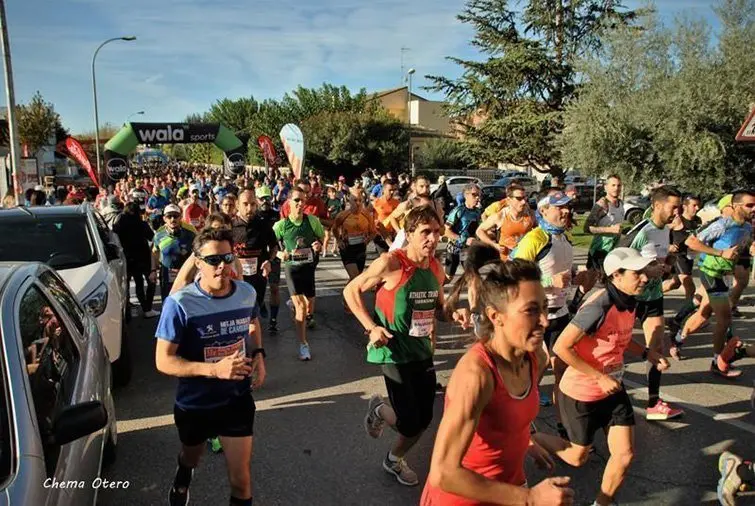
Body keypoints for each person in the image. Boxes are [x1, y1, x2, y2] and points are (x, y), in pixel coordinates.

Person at [421, 248, 575, 506]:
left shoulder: (535, 358)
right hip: (463, 499)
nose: (545, 321)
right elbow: (443, 473)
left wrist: (527, 441)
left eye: (545, 308)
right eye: (531, 311)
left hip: (508, 490)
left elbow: (512, 415)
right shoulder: (476, 374)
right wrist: (530, 498)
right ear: (495, 316)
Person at [155, 227, 266, 506]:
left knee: (241, 480)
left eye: (227, 259)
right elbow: (163, 360)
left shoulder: (246, 293)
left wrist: (259, 354)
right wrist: (214, 370)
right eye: (213, 260)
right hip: (196, 404)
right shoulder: (179, 304)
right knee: (192, 456)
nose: (222, 267)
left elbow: (252, 324)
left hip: (236, 398)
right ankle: (184, 472)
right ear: (198, 263)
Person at [553, 248, 670, 506]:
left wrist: (648, 353)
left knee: (625, 454)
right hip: (580, 392)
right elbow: (561, 347)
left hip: (612, 390)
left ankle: (601, 504)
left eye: (644, 272)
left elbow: (618, 337)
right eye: (636, 273)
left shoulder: (629, 300)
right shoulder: (599, 305)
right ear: (616, 275)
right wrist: (598, 377)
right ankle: (534, 441)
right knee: (577, 457)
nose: (644, 278)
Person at [343, 206, 447, 487]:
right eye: (426, 232)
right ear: (410, 234)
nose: (433, 238)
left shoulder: (436, 268)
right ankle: (390, 449)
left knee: (424, 418)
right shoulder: (392, 263)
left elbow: (439, 309)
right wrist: (371, 327)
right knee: (410, 422)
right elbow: (351, 290)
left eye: (437, 232)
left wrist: (454, 313)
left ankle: (384, 429)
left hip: (422, 352)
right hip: (392, 351)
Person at [512, 191, 580, 421]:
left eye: (567, 207)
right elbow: (514, 276)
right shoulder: (535, 238)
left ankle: (564, 426)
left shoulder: (565, 240)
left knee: (562, 370)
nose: (566, 211)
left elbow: (564, 274)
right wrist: (551, 282)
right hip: (534, 316)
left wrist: (579, 277)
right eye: (559, 207)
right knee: (535, 371)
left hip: (560, 314)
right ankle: (519, 421)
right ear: (543, 211)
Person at [671, 189, 754, 376]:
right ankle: (718, 362)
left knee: (703, 313)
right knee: (724, 318)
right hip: (709, 272)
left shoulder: (748, 228)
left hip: (724, 275)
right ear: (735, 206)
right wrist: (721, 253)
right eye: (749, 205)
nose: (754, 209)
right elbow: (691, 242)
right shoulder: (723, 225)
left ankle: (677, 340)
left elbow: (743, 247)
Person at [623, 186, 684, 419]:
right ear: (657, 205)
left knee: (655, 348)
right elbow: (617, 263)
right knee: (618, 348)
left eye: (679, 207)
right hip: (630, 297)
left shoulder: (665, 231)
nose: (677, 213)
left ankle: (653, 402)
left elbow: (663, 261)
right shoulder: (641, 231)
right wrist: (647, 269)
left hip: (654, 297)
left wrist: (668, 263)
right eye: (673, 207)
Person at [273, 188, 325, 360]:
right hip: (292, 268)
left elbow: (321, 238)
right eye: (296, 200)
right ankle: (303, 345)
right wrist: (281, 255)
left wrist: (318, 245)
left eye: (303, 200)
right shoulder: (281, 226)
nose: (300, 204)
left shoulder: (312, 221)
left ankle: (292, 304)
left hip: (308, 268)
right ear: (288, 202)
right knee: (301, 308)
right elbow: (271, 249)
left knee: (309, 306)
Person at [575, 175, 625, 313]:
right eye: (613, 185)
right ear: (606, 187)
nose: (616, 188)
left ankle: (575, 305)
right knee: (608, 280)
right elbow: (587, 227)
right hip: (600, 249)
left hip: (613, 248)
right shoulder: (602, 204)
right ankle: (601, 311)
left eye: (619, 185)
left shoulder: (620, 204)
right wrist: (609, 230)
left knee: (591, 282)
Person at [232, 190, 277, 323]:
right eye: (245, 204)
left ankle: (259, 307)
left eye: (252, 204)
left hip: (258, 277)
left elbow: (274, 246)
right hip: (236, 278)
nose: (249, 208)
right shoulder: (230, 225)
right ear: (237, 204)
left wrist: (269, 261)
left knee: (254, 308)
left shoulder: (263, 224)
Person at [114, 201, 158, 318]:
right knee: (151, 282)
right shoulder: (142, 224)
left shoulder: (119, 225)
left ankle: (132, 309)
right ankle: (147, 308)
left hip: (128, 259)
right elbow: (153, 238)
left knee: (137, 284)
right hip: (143, 257)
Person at [476, 184, 535, 260]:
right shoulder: (500, 216)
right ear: (509, 200)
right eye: (519, 198)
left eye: (524, 198)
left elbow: (540, 231)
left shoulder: (530, 214)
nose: (523, 202)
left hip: (526, 259)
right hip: (507, 261)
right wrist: (494, 245)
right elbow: (479, 231)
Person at [152, 204, 197, 301]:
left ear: (180, 217)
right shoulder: (159, 234)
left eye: (175, 216)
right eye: (169, 216)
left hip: (186, 273)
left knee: (186, 301)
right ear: (164, 218)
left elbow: (198, 252)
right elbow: (154, 252)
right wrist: (153, 271)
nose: (173, 219)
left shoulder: (190, 233)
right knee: (168, 300)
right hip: (166, 274)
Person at [332, 188, 376, 282]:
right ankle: (350, 295)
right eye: (355, 200)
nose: (358, 203)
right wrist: (339, 241)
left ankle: (347, 294)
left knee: (356, 279)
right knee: (355, 277)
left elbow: (373, 232)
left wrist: (368, 240)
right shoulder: (343, 215)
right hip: (347, 248)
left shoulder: (367, 215)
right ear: (349, 201)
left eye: (360, 200)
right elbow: (334, 229)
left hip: (361, 248)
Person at [256, 186, 283, 334]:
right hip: (258, 257)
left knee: (274, 288)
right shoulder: (254, 216)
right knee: (257, 290)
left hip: (274, 255)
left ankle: (273, 321)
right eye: (262, 199)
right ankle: (260, 304)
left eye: (267, 198)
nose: (265, 201)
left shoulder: (276, 215)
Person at [443, 184, 482, 278]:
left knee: (473, 276)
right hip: (454, 249)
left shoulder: (478, 212)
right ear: (466, 195)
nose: (477, 198)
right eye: (474, 195)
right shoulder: (458, 211)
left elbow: (478, 230)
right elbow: (445, 231)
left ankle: (473, 292)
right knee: (449, 277)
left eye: (479, 195)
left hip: (468, 250)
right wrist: (462, 239)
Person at [670, 194, 702, 302]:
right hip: (678, 256)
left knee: (674, 284)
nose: (697, 208)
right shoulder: (677, 220)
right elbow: (662, 233)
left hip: (690, 256)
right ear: (684, 206)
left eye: (698, 205)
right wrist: (669, 246)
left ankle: (646, 294)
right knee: (690, 286)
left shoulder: (698, 220)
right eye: (694, 205)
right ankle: (687, 312)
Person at [372, 179, 400, 253]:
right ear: (383, 190)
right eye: (390, 190)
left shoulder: (397, 203)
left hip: (392, 235)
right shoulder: (376, 202)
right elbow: (368, 216)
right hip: (380, 235)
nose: (392, 192)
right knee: (384, 257)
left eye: (393, 190)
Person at [323, 185, 345, 256]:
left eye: (334, 192)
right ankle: (325, 250)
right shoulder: (327, 201)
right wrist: (328, 210)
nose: (333, 194)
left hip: (336, 220)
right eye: (331, 192)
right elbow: (323, 210)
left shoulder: (338, 200)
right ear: (328, 193)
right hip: (327, 220)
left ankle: (334, 250)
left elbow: (341, 209)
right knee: (327, 237)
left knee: (336, 236)